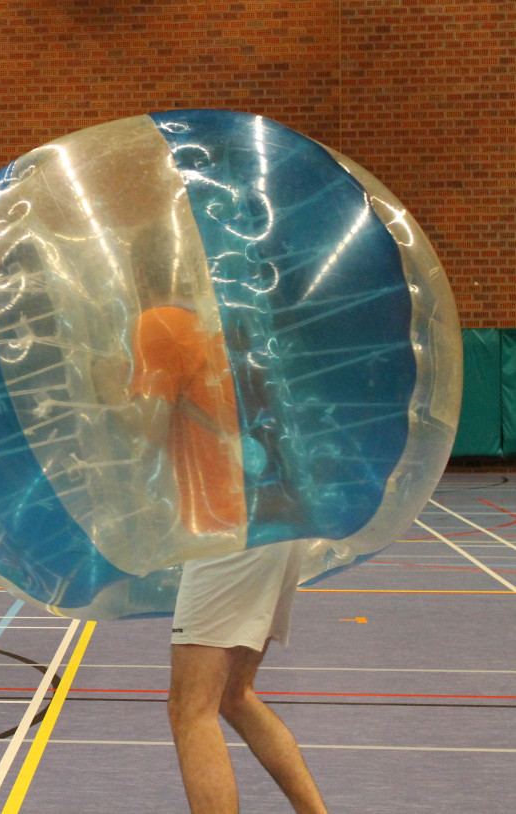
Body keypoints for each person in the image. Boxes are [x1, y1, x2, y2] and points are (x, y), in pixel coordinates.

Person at [127, 230, 328, 813]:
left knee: (189, 708)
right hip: (279, 520)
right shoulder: (218, 325)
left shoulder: (160, 323)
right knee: (234, 696)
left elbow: (141, 433)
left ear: (140, 277)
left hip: (231, 528)